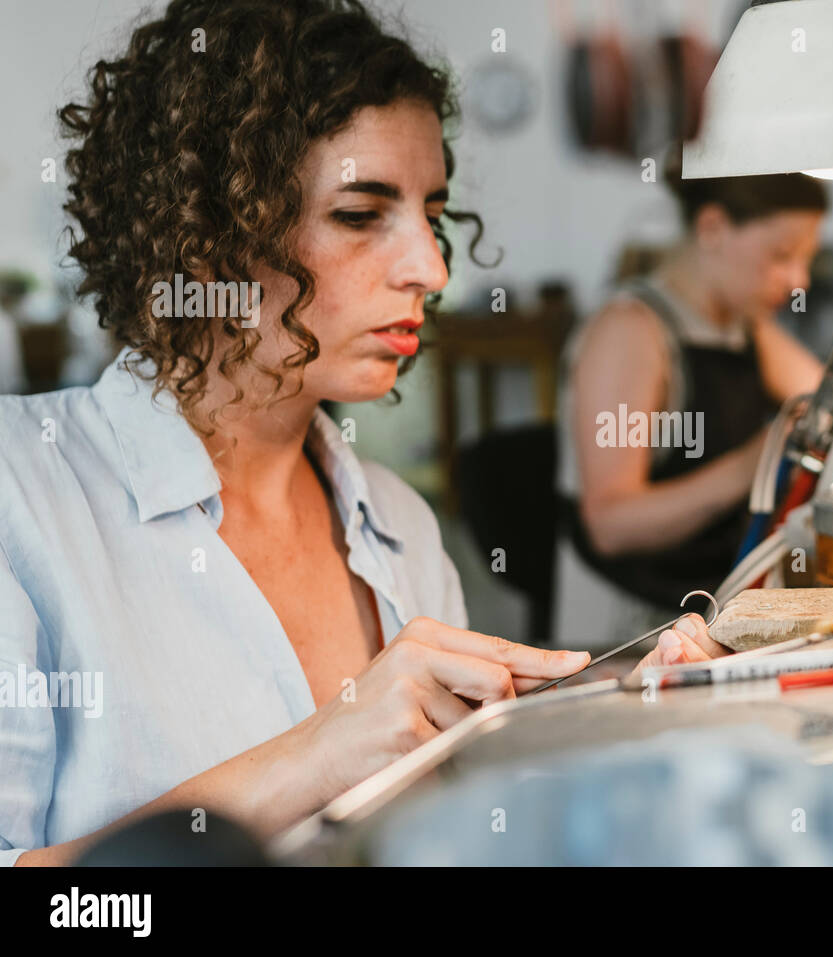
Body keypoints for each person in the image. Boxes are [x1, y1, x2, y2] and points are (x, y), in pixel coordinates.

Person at [0, 0, 721, 867]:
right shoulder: (24, 499)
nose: (433, 268)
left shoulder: (401, 526)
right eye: (359, 212)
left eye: (432, 213)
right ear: (206, 238)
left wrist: (606, 720)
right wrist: (319, 751)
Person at [553, 162, 830, 648]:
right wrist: (752, 463)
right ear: (712, 228)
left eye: (805, 259)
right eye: (781, 255)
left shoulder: (741, 325)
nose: (798, 280)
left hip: (708, 601)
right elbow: (609, 524)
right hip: (627, 635)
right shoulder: (629, 332)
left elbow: (829, 402)